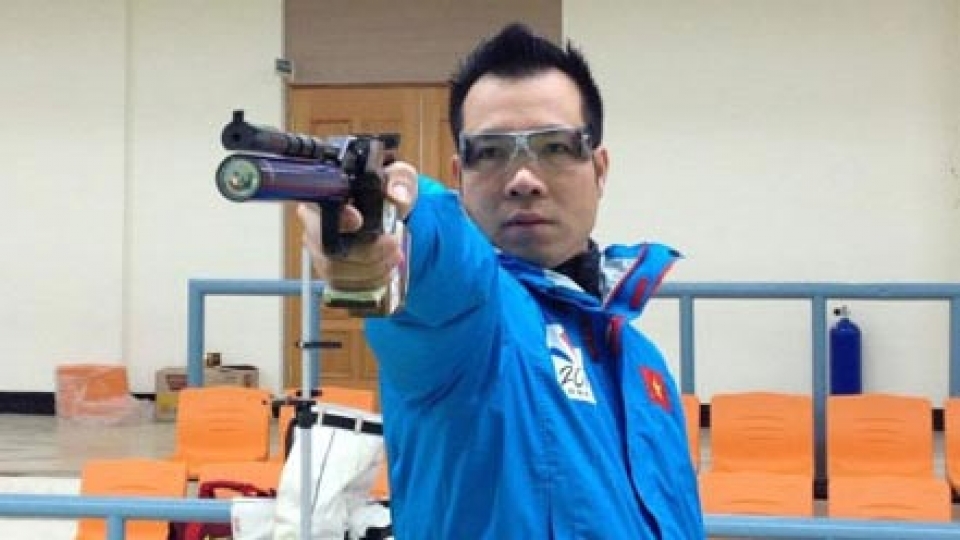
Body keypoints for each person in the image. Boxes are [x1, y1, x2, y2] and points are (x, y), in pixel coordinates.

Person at [299, 22, 704, 539]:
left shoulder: (643, 364)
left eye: (555, 147)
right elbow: (442, 266)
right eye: (490, 152)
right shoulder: (474, 326)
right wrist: (390, 225)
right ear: (459, 176)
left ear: (599, 169)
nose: (523, 180)